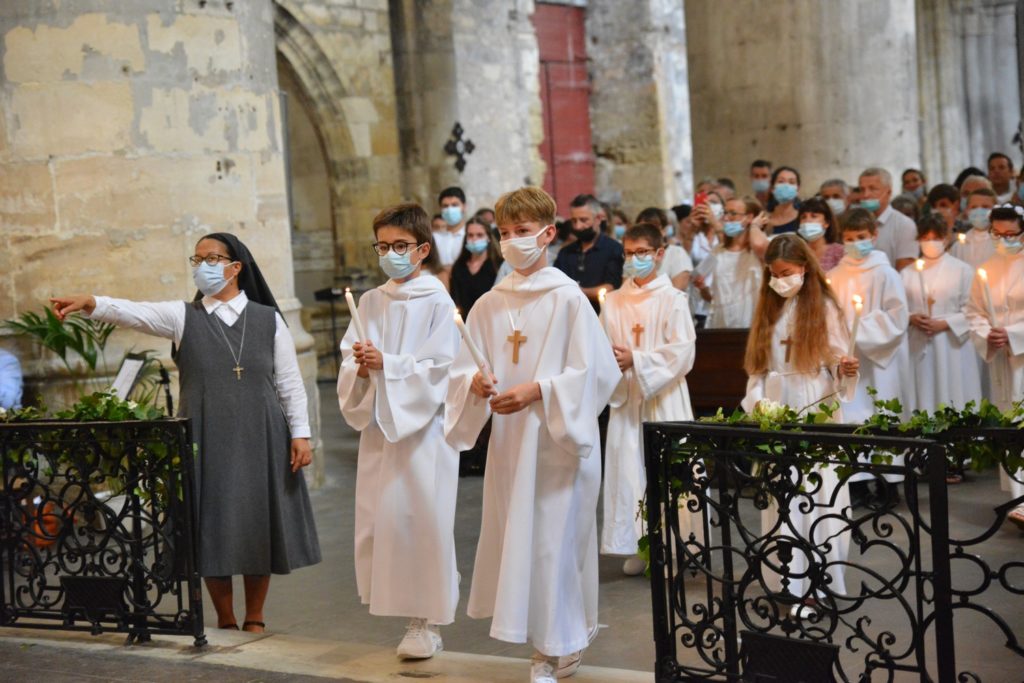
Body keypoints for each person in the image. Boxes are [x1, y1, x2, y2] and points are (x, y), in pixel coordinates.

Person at [50, 233, 321, 633]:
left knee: (256, 523)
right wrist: (93, 303)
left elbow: (290, 383)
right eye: (197, 258)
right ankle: (226, 618)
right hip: (205, 436)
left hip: (262, 434)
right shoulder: (183, 316)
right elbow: (134, 313)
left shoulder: (268, 320)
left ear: (235, 267)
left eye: (212, 258)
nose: (202, 266)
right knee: (213, 526)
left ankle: (255, 616)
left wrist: (300, 434)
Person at [444, 186, 620, 683]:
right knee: (522, 541)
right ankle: (544, 645)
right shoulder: (488, 305)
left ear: (547, 234)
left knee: (555, 543)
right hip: (512, 446)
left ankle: (556, 647)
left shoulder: (567, 299)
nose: (511, 241)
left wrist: (538, 391)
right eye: (504, 233)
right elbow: (462, 371)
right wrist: (474, 384)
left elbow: (598, 373)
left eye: (522, 232)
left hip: (559, 441)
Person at [337, 203, 460, 660]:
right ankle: (408, 616)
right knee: (385, 521)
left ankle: (426, 623)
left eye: (400, 246)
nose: (390, 254)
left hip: (424, 432)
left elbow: (442, 368)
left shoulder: (437, 301)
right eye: (383, 246)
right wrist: (365, 372)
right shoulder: (371, 301)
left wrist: (388, 365)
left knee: (422, 521)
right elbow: (350, 362)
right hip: (381, 432)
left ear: (423, 249)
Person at [742, 234, 859, 598]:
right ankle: (785, 582)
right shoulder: (768, 306)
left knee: (816, 494)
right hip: (776, 409)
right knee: (783, 498)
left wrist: (847, 369)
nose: (780, 281)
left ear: (805, 268)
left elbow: (839, 362)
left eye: (787, 272)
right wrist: (758, 401)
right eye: (774, 274)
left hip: (814, 404)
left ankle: (817, 585)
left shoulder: (823, 306)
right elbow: (758, 370)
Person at [599, 223, 696, 576]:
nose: (635, 259)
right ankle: (640, 545)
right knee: (630, 475)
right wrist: (609, 360)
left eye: (642, 252)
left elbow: (683, 351)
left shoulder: (673, 299)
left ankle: (676, 546)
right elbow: (601, 347)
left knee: (668, 472)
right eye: (629, 252)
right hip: (627, 400)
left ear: (659, 254)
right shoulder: (614, 302)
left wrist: (637, 360)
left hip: (664, 396)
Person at [827, 209, 913, 503]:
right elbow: (829, 317)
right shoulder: (834, 276)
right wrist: (843, 341)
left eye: (861, 237)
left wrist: (857, 330)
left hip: (882, 360)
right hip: (850, 361)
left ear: (873, 236)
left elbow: (898, 317)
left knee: (884, 415)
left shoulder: (886, 273)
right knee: (853, 417)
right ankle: (858, 484)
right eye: (849, 239)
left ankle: (889, 483)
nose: (855, 243)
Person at [965, 205, 1024, 527]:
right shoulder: (986, 267)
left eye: (1011, 235)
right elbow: (973, 310)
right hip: (1001, 359)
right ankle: (1018, 500)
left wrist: (1014, 333)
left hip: (1022, 353)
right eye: (997, 235)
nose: (1004, 241)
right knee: (1010, 423)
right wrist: (988, 334)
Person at [901, 214, 982, 416]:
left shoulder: (962, 270)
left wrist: (945, 323)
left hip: (952, 343)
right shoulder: (907, 273)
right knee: (922, 390)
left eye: (935, 237)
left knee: (953, 389)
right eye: (925, 238)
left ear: (946, 239)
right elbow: (898, 308)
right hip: (918, 342)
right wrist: (911, 317)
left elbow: (973, 309)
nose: (931, 243)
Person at [693, 196, 764, 328]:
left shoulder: (757, 252)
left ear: (749, 217)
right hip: (720, 327)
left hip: (752, 326)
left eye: (733, 213)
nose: (726, 218)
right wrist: (702, 288)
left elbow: (759, 244)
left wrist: (754, 225)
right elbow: (711, 298)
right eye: (725, 213)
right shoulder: (717, 251)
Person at [554, 194, 624, 312]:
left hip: (601, 315)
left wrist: (577, 291)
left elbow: (610, 287)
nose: (578, 226)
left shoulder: (614, 249)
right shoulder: (566, 252)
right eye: (574, 220)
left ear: (598, 218)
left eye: (583, 220)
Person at [857, 167, 918, 271]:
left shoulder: (904, 225)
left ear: (888, 192)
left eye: (873, 189)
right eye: (862, 190)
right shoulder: (855, 223)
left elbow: (905, 271)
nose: (866, 195)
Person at [451, 216, 502, 316]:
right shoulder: (459, 266)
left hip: (491, 320)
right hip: (464, 324)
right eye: (470, 235)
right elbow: (455, 299)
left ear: (488, 237)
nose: (474, 239)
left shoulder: (498, 265)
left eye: (480, 235)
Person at [635, 206, 693, 290]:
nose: (647, 233)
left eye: (653, 228)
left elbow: (677, 290)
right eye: (642, 229)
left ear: (664, 230)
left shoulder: (677, 253)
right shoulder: (635, 257)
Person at [952, 188, 997, 269]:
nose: (979, 210)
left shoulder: (1003, 243)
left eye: (985, 207)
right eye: (974, 207)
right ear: (966, 210)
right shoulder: (958, 246)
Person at [796, 197, 845, 271]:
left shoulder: (839, 251)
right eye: (803, 217)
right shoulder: (796, 252)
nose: (808, 221)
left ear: (826, 223)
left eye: (814, 216)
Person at [434, 187, 469, 269]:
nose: (450, 209)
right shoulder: (434, 238)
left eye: (454, 205)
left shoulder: (471, 235)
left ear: (464, 206)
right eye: (445, 206)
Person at [766, 166, 801, 234]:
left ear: (797, 189)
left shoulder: (804, 219)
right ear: (772, 188)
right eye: (781, 181)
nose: (786, 185)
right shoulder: (763, 221)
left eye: (791, 182)